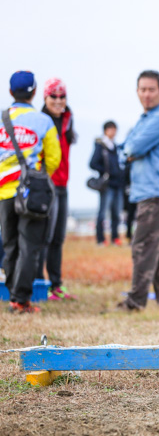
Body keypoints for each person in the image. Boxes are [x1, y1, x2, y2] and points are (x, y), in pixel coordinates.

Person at [117, 70, 159, 311]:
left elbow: (131, 146)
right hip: (153, 192)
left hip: (155, 193)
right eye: (142, 89)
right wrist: (128, 149)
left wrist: (129, 150)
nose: (146, 94)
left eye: (151, 89)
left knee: (142, 248)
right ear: (137, 91)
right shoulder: (145, 118)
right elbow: (127, 147)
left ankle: (134, 303)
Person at [0, 71, 61, 313]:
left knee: (10, 245)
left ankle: (13, 293)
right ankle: (20, 299)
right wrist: (39, 175)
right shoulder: (43, 121)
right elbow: (54, 158)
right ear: (35, 93)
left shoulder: (3, 118)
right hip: (31, 194)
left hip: (4, 192)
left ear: (10, 92)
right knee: (30, 246)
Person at [36, 78, 76, 300]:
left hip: (63, 185)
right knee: (44, 237)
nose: (58, 101)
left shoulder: (69, 120)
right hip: (46, 184)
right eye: (54, 96)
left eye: (62, 96)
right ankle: (39, 283)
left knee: (59, 238)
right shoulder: (41, 121)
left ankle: (56, 285)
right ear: (45, 98)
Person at [90, 121, 124, 246]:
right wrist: (105, 172)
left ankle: (115, 238)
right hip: (107, 185)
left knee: (116, 213)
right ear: (105, 130)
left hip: (118, 184)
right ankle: (100, 239)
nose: (113, 132)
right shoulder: (101, 145)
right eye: (111, 129)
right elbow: (92, 163)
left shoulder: (115, 147)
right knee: (102, 213)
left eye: (115, 129)